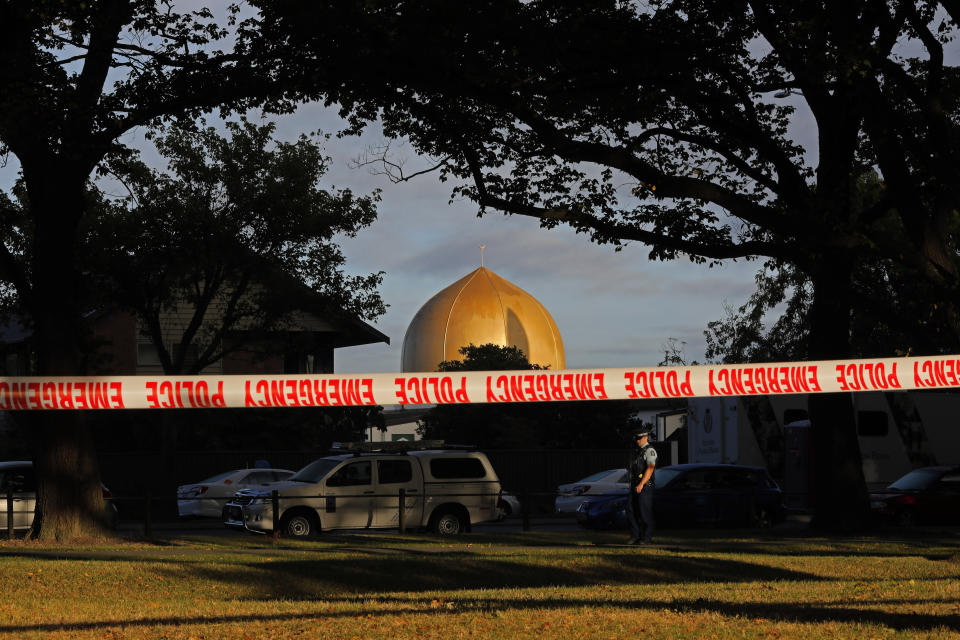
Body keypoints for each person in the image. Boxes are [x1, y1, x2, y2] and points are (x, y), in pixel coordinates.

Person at [627, 425, 657, 544]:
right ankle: (635, 535)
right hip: (635, 485)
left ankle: (646, 538)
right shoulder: (637, 452)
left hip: (645, 486)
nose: (637, 441)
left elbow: (650, 469)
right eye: (636, 439)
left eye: (639, 438)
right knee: (631, 510)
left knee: (645, 512)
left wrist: (641, 484)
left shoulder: (650, 451)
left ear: (645, 437)